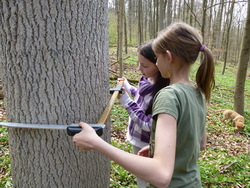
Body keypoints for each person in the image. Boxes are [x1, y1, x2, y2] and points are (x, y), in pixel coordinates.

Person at [73, 22, 215, 188]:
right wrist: (158, 148)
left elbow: (161, 176)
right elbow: (200, 144)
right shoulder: (198, 93)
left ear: (168, 57)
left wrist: (96, 143)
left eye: (157, 57)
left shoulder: (169, 95)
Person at [117, 40, 170, 187]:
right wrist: (127, 86)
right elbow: (140, 97)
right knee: (140, 175)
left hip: (145, 142)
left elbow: (148, 124)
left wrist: (126, 102)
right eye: (139, 63)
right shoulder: (146, 79)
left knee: (145, 177)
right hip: (136, 138)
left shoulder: (160, 93)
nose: (140, 68)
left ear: (159, 64)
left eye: (145, 65)